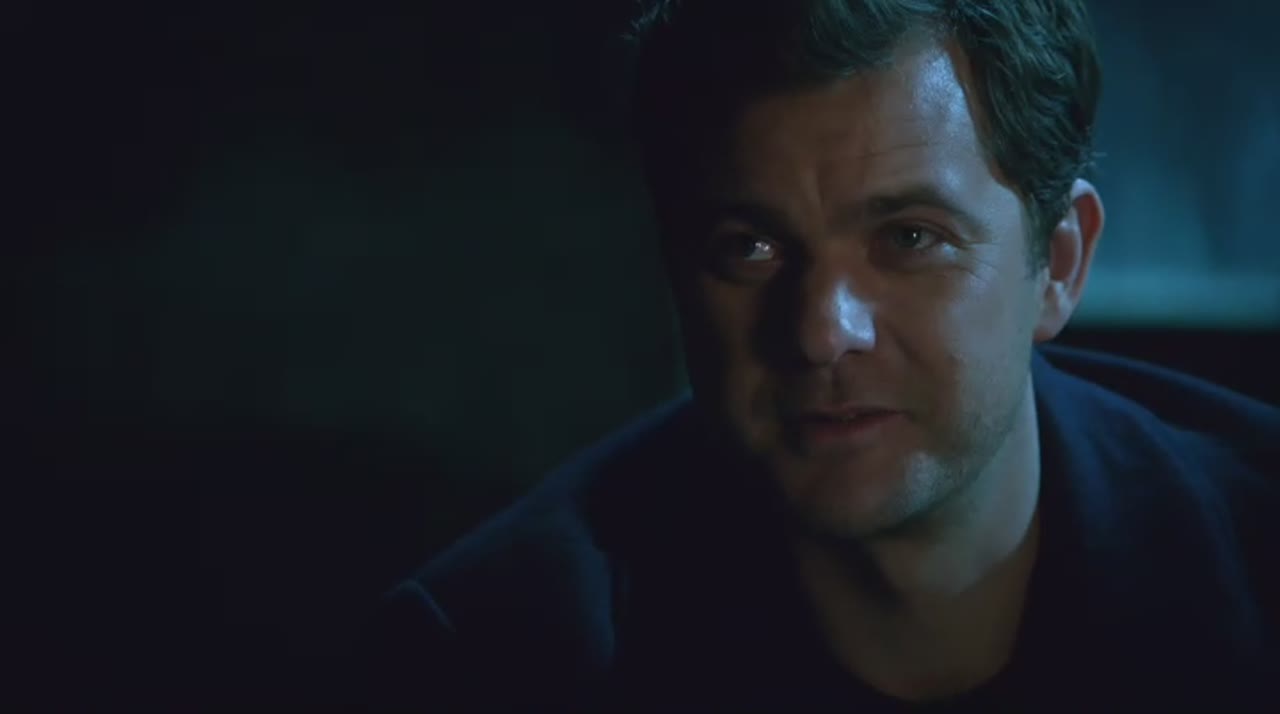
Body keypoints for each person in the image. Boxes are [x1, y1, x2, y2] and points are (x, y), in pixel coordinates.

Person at [358, 1, 1280, 711]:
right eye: (749, 248)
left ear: (1061, 265)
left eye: (909, 238)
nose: (820, 330)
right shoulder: (498, 658)